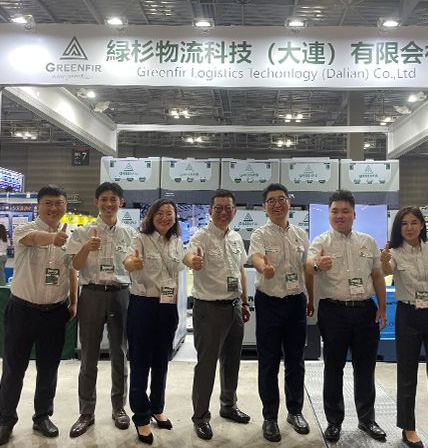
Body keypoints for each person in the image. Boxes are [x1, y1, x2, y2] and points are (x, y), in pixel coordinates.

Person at [306, 189, 387, 443]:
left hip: (365, 310)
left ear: (354, 214)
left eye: (345, 211)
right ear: (328, 214)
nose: (339, 215)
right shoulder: (321, 241)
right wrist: (317, 265)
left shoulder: (368, 241)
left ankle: (367, 419)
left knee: (365, 368)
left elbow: (377, 275)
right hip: (333, 312)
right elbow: (308, 265)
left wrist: (382, 307)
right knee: (333, 368)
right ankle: (334, 421)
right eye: (335, 211)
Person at [0, 185, 77, 446]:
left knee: (48, 368)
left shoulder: (71, 235)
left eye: (59, 203)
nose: (54, 208)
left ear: (65, 205)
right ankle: (5, 419)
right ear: (38, 206)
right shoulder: (24, 229)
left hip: (55, 312)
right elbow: (32, 239)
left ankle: (42, 416)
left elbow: (72, 271)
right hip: (22, 310)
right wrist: (52, 238)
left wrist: (74, 302)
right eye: (48, 203)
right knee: (13, 368)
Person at [381, 206, 428, 448]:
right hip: (408, 316)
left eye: (414, 222)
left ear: (422, 225)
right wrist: (383, 261)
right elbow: (387, 270)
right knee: (406, 374)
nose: (410, 227)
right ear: (398, 228)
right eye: (404, 224)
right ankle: (408, 428)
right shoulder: (394, 253)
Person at [66, 182, 136, 437]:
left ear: (121, 203)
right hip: (92, 294)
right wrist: (87, 247)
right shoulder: (82, 232)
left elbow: (133, 265)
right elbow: (75, 265)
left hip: (120, 294)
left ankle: (119, 407)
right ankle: (86, 411)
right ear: (96, 202)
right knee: (88, 356)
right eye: (104, 199)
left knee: (120, 353)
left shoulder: (130, 234)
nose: (109, 204)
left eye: (113, 199)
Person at [183, 189, 250, 441]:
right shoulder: (201, 236)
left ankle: (228, 405)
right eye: (218, 208)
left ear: (234, 211)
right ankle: (200, 417)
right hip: (208, 309)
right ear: (210, 211)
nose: (223, 212)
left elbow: (240, 271)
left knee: (232, 362)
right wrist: (193, 261)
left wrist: (244, 302)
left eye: (228, 208)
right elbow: (189, 256)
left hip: (234, 307)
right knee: (207, 365)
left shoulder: (236, 237)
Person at [249, 183, 314, 442]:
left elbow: (307, 268)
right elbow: (256, 257)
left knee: (296, 361)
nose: (277, 204)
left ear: (289, 203)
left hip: (296, 302)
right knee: (268, 362)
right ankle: (270, 417)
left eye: (281, 199)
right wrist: (263, 267)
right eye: (272, 200)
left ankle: (295, 411)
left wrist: (311, 298)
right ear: (264, 207)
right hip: (270, 303)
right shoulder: (260, 234)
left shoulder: (300, 234)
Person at [123, 199, 184, 445]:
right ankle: (141, 416)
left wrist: (174, 306)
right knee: (140, 363)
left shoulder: (177, 242)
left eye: (170, 213)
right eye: (160, 213)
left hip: (167, 307)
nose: (165, 217)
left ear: (175, 217)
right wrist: (133, 263)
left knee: (161, 362)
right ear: (151, 216)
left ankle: (157, 407)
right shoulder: (140, 238)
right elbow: (128, 261)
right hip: (143, 305)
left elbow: (176, 273)